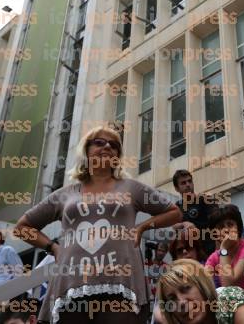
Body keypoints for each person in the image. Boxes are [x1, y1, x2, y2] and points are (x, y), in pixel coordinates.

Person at [14, 126, 182, 324]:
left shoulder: (132, 188)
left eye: (114, 145)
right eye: (99, 142)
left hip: (121, 283)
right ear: (86, 150)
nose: (107, 147)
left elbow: (174, 212)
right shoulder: (65, 194)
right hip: (71, 284)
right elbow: (22, 227)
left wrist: (142, 227)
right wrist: (53, 247)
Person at [157, 259, 244, 324]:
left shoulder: (228, 300)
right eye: (172, 298)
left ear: (202, 286)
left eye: (186, 288)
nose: (181, 302)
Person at [204, 204, 244, 301]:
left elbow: (229, 285)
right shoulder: (214, 257)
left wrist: (224, 249)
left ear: (238, 228)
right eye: (221, 227)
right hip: (231, 307)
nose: (226, 230)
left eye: (230, 225)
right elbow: (203, 284)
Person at [172, 169, 216, 254]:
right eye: (183, 183)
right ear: (176, 188)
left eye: (189, 181)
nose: (188, 185)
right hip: (191, 254)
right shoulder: (177, 206)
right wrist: (183, 224)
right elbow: (174, 226)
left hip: (210, 251)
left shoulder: (206, 200)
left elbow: (217, 222)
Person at [146, 242, 170, 308]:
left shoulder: (166, 267)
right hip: (147, 301)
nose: (161, 253)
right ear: (155, 250)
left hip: (159, 302)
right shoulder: (147, 264)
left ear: (166, 253)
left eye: (163, 251)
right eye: (159, 250)